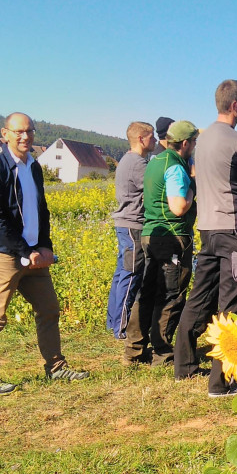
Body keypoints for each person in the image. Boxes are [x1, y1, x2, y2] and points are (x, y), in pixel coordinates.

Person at [0, 112, 88, 393]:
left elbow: (41, 210)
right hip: (3, 256)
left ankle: (56, 367)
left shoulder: (33, 167)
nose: (25, 136)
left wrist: (44, 246)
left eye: (30, 131)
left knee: (48, 309)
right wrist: (24, 250)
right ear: (5, 134)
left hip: (33, 255)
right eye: (19, 131)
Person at [174, 81, 237, 397]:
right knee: (233, 304)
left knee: (199, 297)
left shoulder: (201, 141)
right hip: (234, 230)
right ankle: (222, 382)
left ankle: (184, 365)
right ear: (235, 105)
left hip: (207, 230)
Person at [127, 120, 199, 367]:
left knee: (146, 293)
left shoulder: (155, 161)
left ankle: (134, 350)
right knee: (170, 295)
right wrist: (192, 189)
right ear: (186, 143)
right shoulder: (175, 167)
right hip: (172, 236)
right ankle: (163, 353)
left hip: (150, 234)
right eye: (195, 143)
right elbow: (178, 207)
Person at [107, 121, 156, 342]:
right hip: (133, 225)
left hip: (125, 224)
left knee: (122, 273)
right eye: (152, 137)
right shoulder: (138, 163)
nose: (155, 141)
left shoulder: (128, 159)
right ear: (141, 139)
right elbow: (156, 187)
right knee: (131, 273)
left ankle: (113, 322)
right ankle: (121, 327)